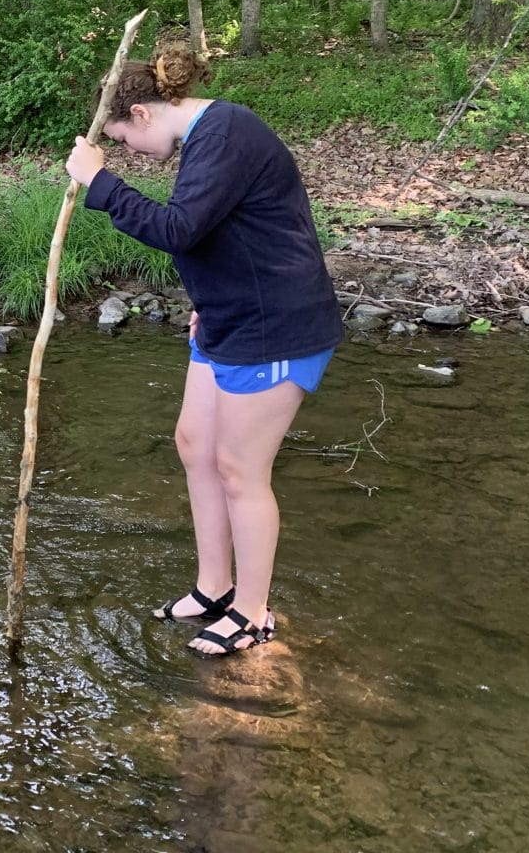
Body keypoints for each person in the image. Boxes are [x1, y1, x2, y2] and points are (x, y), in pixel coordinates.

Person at [64, 42, 342, 657]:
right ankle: (215, 588)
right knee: (195, 445)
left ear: (141, 115)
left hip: (276, 326)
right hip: (227, 316)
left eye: (125, 142)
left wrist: (100, 182)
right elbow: (221, 230)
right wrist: (209, 295)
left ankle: (253, 612)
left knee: (242, 470)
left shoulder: (225, 133)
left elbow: (178, 228)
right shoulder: (208, 138)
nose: (134, 155)